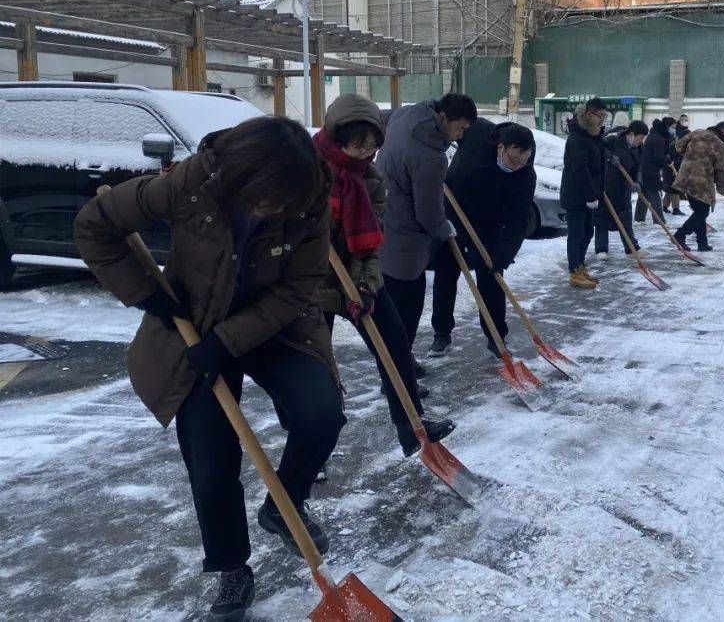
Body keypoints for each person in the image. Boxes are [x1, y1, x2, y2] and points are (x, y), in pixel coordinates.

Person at [74, 117, 343, 621]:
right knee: (211, 456)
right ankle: (231, 566)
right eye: (266, 201)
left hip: (274, 324)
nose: (274, 212)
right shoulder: (190, 184)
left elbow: (298, 287)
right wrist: (148, 296)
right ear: (240, 179)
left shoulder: (308, 202)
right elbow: (95, 225)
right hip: (194, 326)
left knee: (321, 413)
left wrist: (229, 340)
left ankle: (284, 505)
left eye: (283, 204)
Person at [312, 94, 454, 458]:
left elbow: (370, 242)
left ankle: (411, 424)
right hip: (308, 283)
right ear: (337, 135)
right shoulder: (306, 173)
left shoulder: (370, 180)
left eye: (372, 146)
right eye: (358, 145)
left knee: (394, 342)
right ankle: (314, 451)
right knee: (316, 367)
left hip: (353, 274)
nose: (365, 153)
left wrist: (364, 283)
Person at [377, 93, 477, 356]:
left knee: (391, 307)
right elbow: (428, 213)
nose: (459, 136)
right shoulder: (432, 157)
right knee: (407, 311)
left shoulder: (406, 114)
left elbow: (380, 117)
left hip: (383, 220)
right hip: (406, 240)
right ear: (443, 117)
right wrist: (445, 229)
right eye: (459, 128)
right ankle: (399, 371)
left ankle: (397, 363)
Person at [429, 120, 536, 357]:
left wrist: (503, 255)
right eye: (514, 159)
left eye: (523, 161)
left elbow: (519, 220)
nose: (517, 166)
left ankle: (496, 337)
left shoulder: (525, 176)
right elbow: (447, 126)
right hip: (454, 213)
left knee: (491, 279)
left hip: (489, 226)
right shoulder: (476, 133)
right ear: (501, 147)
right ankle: (442, 333)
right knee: (445, 275)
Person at [561, 98, 607, 289]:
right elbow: (580, 169)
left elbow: (598, 164)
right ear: (588, 114)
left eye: (605, 116)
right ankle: (574, 271)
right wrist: (590, 195)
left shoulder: (593, 135)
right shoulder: (578, 137)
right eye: (599, 115)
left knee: (588, 232)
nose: (602, 119)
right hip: (576, 194)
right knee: (577, 234)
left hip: (590, 193)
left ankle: (580, 267)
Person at [672, 124, 724, 252]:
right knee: (702, 212)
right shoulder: (719, 144)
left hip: (685, 177)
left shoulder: (696, 133)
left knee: (699, 211)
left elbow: (678, 146)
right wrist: (722, 188)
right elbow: (721, 169)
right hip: (701, 182)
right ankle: (680, 235)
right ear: (723, 131)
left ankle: (702, 243)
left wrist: (691, 154)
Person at [595, 119, 648, 259]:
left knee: (626, 220)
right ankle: (601, 249)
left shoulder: (639, 148)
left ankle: (631, 248)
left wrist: (638, 182)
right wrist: (610, 157)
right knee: (602, 218)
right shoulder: (613, 140)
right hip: (606, 185)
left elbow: (639, 168)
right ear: (632, 134)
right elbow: (597, 147)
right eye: (640, 137)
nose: (641, 141)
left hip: (624, 188)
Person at [636, 117, 674, 224]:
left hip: (645, 168)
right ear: (666, 127)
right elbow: (658, 157)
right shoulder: (659, 139)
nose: (673, 130)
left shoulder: (653, 134)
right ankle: (659, 220)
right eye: (672, 127)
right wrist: (668, 161)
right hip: (651, 170)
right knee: (655, 195)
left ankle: (639, 218)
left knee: (644, 195)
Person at [663, 115, 692, 216]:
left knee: (670, 188)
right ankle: (676, 209)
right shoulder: (674, 139)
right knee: (674, 187)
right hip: (672, 165)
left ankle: (664, 206)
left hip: (676, 164)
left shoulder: (683, 136)